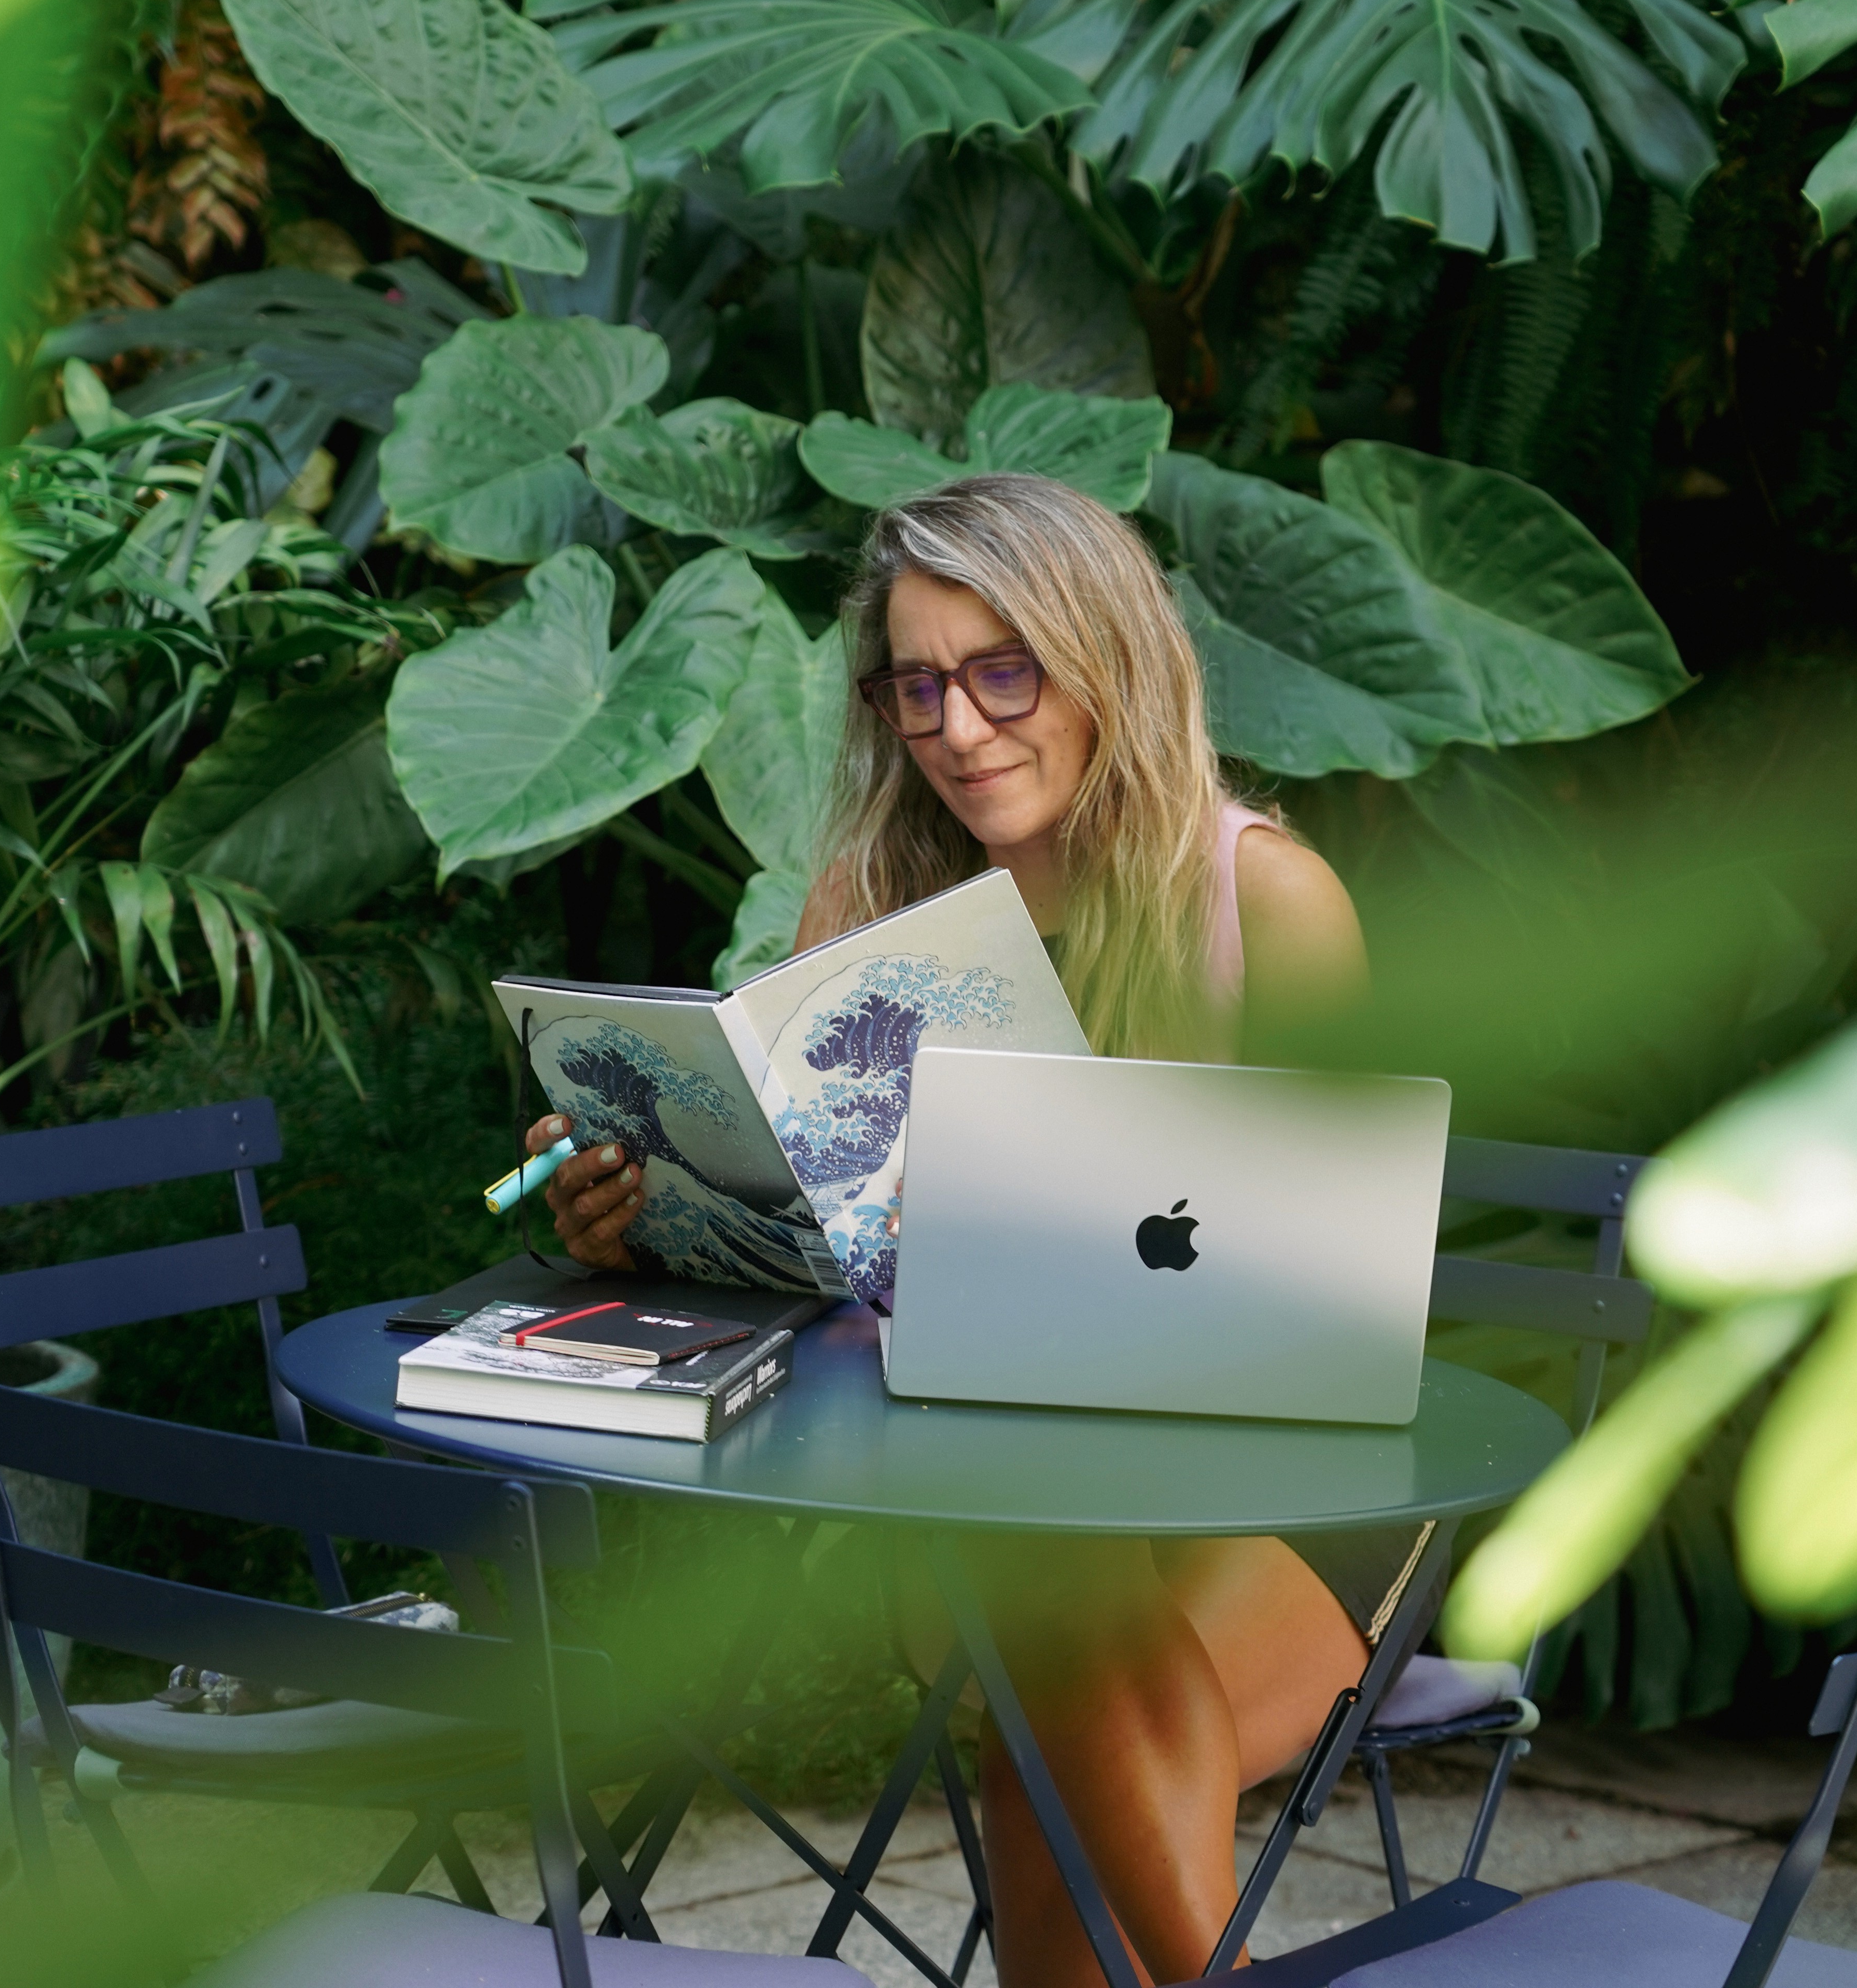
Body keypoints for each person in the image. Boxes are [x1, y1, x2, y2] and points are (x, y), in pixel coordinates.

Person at [525, 474, 1415, 1988]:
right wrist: (639, 1216)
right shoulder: (867, 902)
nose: (957, 724)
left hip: (1260, 1493)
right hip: (967, 1494)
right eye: (919, 683)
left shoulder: (1265, 904)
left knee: (1044, 1701)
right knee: (1041, 1602)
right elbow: (808, 1244)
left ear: (1108, 663)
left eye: (1007, 670)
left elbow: (1346, 1280)